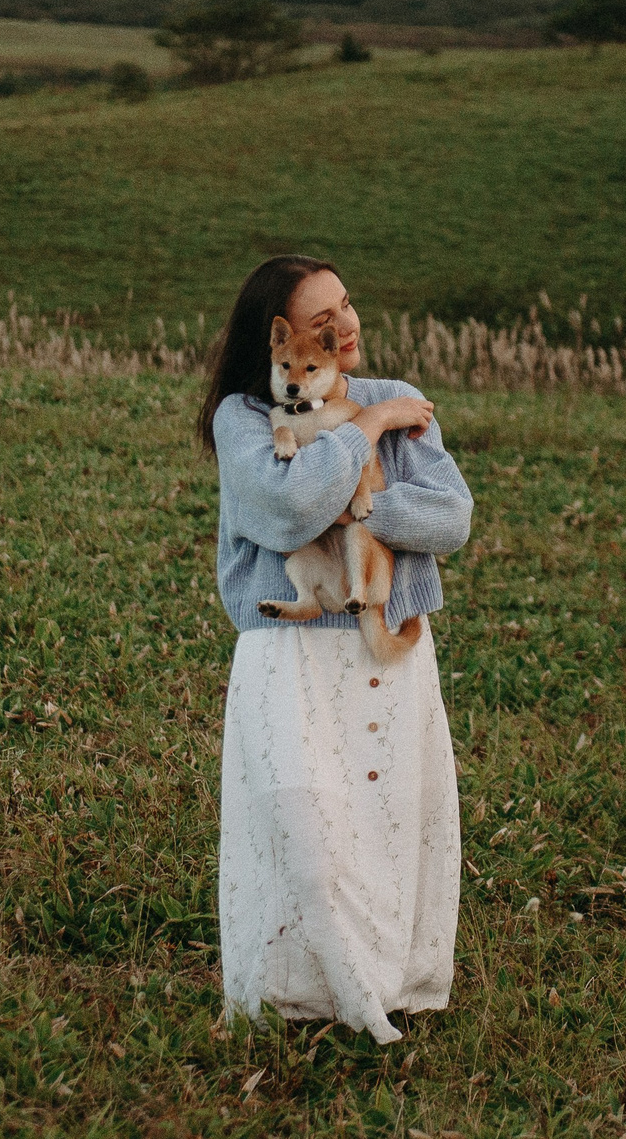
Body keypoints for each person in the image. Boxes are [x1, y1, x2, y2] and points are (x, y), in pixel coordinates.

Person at [197, 254, 474, 1042]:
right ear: (280, 341)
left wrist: (358, 506)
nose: (346, 325)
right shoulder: (244, 419)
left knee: (388, 824)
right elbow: (287, 510)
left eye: (346, 305)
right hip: (289, 652)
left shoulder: (395, 396)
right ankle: (297, 993)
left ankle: (393, 987)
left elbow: (451, 517)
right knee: (304, 826)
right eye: (324, 323)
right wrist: (371, 433)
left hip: (386, 650)